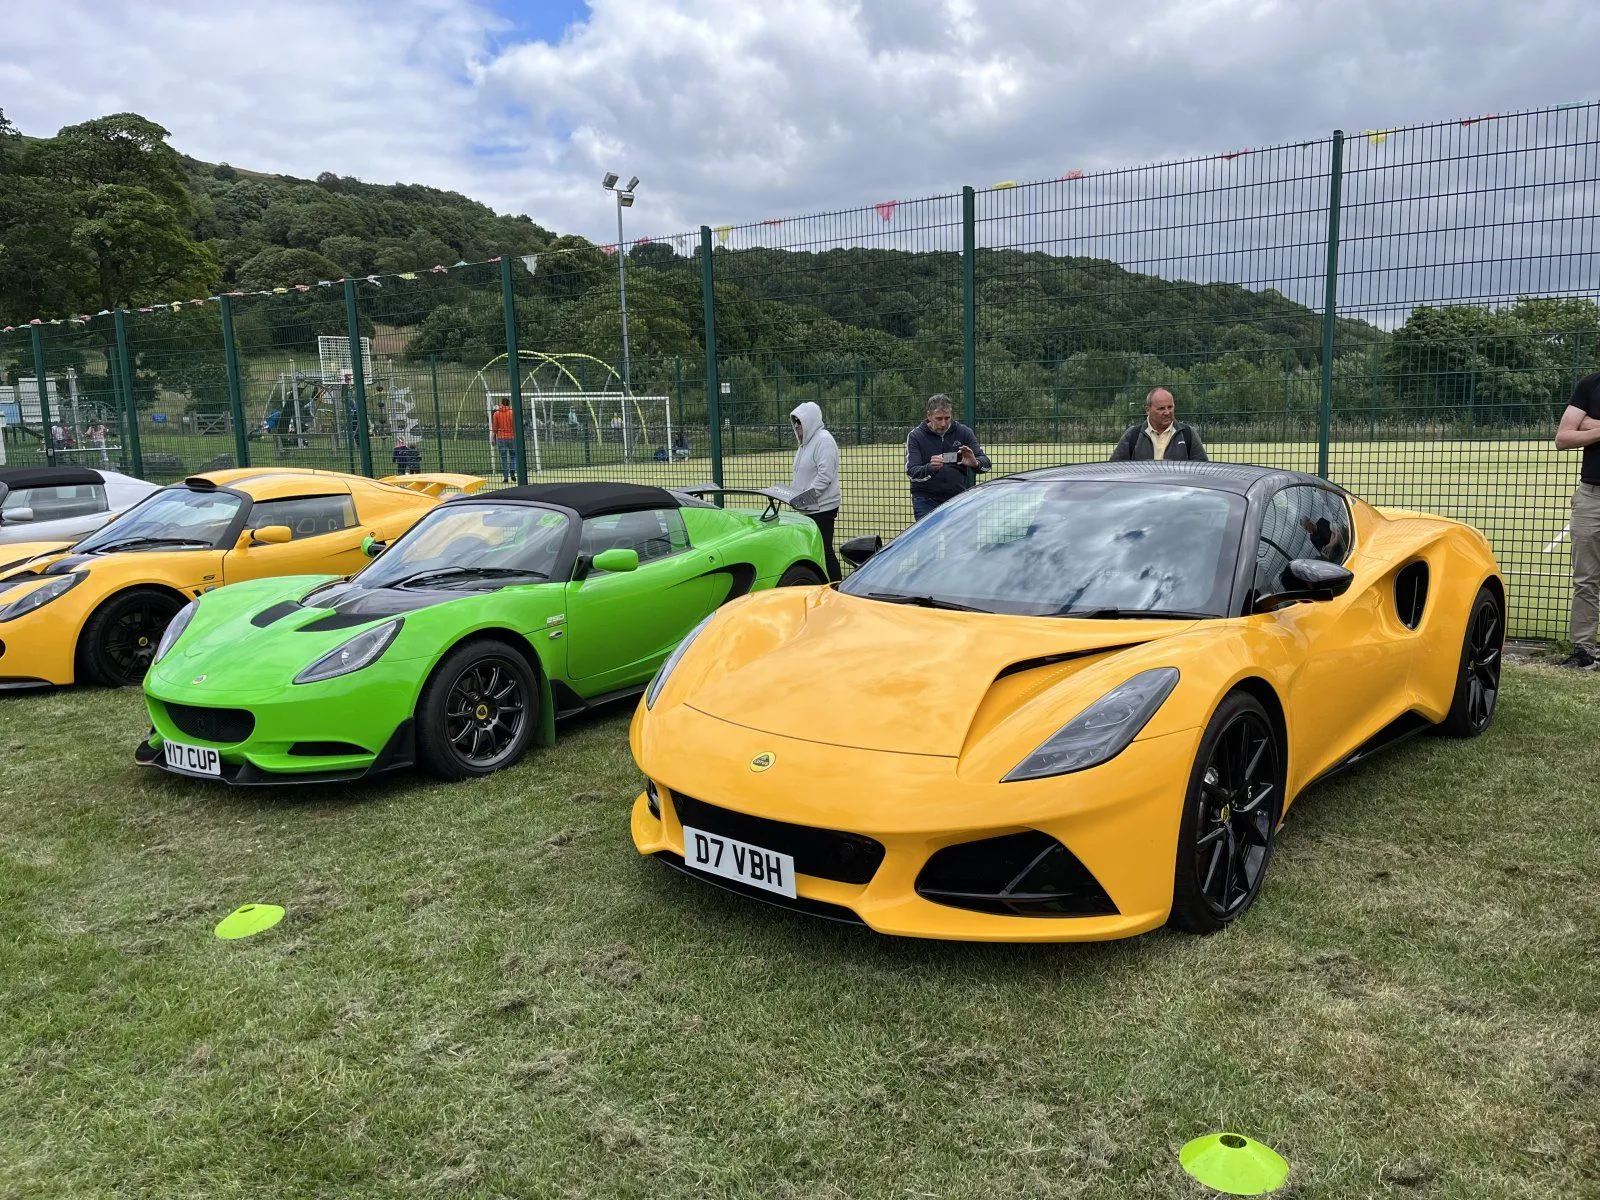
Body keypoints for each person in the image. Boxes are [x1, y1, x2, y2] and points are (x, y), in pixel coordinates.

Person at [1555, 370, 1600, 668]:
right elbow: (1563, 438)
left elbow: (1579, 428)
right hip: (1591, 498)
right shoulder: (1591, 384)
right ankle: (1584, 652)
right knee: (1586, 580)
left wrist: (1590, 424)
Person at [904, 394, 990, 520]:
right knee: (930, 534)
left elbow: (986, 463)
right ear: (929, 416)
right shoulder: (916, 436)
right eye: (939, 419)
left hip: (957, 498)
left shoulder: (964, 432)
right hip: (926, 500)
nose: (943, 423)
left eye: (947, 418)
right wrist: (930, 468)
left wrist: (975, 463)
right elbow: (911, 472)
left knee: (962, 533)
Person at [789, 401, 842, 582]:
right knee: (813, 552)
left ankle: (835, 587)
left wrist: (805, 498)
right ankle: (819, 584)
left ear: (809, 421)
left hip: (822, 508)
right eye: (795, 421)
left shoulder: (823, 440)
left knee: (824, 550)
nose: (796, 425)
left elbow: (825, 476)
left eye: (800, 421)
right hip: (807, 507)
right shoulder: (804, 444)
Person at [1110, 388, 1209, 462]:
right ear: (1148, 410)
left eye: (1170, 407)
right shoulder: (1132, 435)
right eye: (1161, 408)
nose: (1167, 412)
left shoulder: (1188, 434)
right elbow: (1115, 468)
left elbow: (1202, 469)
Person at [491, 398, 516, 482]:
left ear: (501, 404)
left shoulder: (496, 414)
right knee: (513, 455)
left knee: (503, 458)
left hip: (501, 438)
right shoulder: (512, 413)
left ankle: (505, 478)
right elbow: (515, 425)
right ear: (509, 404)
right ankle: (512, 469)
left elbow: (495, 428)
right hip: (511, 437)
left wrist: (493, 438)